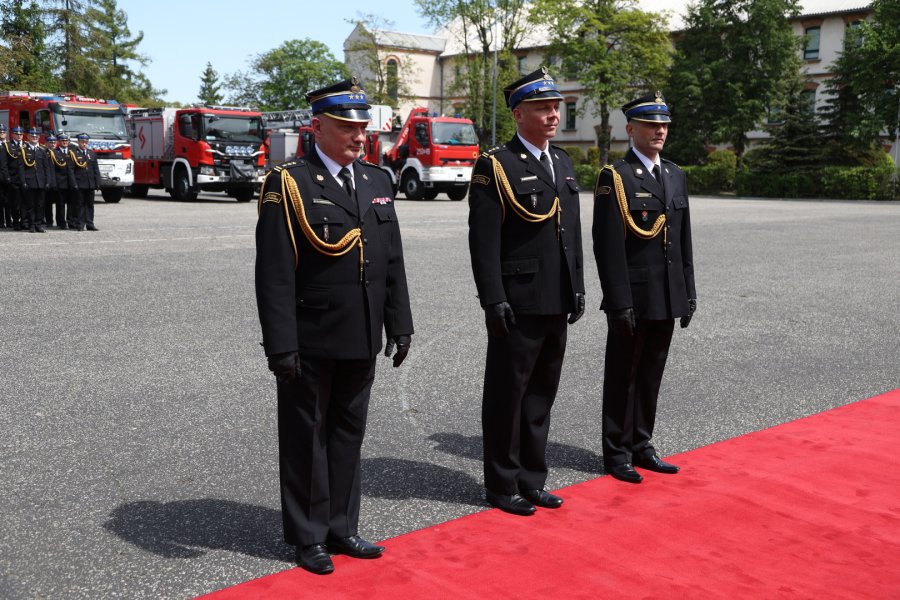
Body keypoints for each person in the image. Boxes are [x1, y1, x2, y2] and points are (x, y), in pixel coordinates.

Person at [255, 77, 413, 575]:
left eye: (363, 128)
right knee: (308, 436)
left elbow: (392, 260)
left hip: (362, 332)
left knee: (348, 433)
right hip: (312, 334)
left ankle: (342, 526)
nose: (359, 136)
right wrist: (281, 346)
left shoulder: (376, 181)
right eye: (348, 127)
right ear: (317, 126)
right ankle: (308, 536)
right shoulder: (291, 182)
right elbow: (274, 273)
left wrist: (399, 321)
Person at [468, 67, 585, 516]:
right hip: (518, 300)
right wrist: (492, 298)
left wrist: (576, 285)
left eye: (555, 107)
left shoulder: (563, 163)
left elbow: (569, 231)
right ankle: (501, 484)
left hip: (555, 296)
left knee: (541, 393)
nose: (554, 115)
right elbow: (484, 241)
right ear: (519, 114)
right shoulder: (495, 165)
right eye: (543, 108)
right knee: (507, 394)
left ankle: (532, 479)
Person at [592, 92, 697, 484]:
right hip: (633, 297)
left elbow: (683, 239)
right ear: (631, 128)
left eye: (664, 124)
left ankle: (642, 443)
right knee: (624, 374)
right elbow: (607, 246)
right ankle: (616, 451)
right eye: (651, 124)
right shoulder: (615, 178)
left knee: (651, 372)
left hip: (666, 293)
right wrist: (618, 301)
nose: (659, 131)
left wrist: (688, 290)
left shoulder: (673, 174)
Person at [20, 128, 53, 233]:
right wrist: (23, 182)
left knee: (40, 205)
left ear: (39, 137)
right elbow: (20, 168)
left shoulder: (42, 151)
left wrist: (48, 181)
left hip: (41, 182)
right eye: (32, 136)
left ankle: (39, 224)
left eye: (36, 136)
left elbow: (46, 168)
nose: (34, 138)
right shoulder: (24, 150)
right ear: (28, 137)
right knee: (30, 205)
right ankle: (32, 224)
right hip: (30, 182)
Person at [70, 133, 101, 231]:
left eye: (86, 142)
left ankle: (90, 223)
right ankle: (80, 224)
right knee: (80, 204)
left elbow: (96, 169)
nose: (84, 144)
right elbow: (71, 170)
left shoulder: (92, 153)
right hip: (80, 183)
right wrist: (74, 183)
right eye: (82, 142)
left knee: (90, 204)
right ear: (78, 142)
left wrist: (97, 182)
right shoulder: (73, 154)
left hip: (90, 183)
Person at [50, 134, 77, 230]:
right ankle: (61, 222)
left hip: (71, 182)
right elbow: (52, 169)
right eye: (62, 141)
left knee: (71, 203)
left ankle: (71, 221)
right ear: (58, 142)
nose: (65, 142)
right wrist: (53, 183)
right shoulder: (54, 152)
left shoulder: (73, 152)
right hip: (60, 182)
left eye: (66, 140)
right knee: (60, 204)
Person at [3, 126, 26, 230]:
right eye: (17, 134)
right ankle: (16, 221)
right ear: (12, 134)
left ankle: (24, 222)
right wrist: (7, 178)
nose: (19, 136)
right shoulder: (7, 146)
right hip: (14, 178)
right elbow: (4, 165)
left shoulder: (26, 146)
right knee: (15, 202)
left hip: (26, 179)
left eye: (21, 134)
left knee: (25, 202)